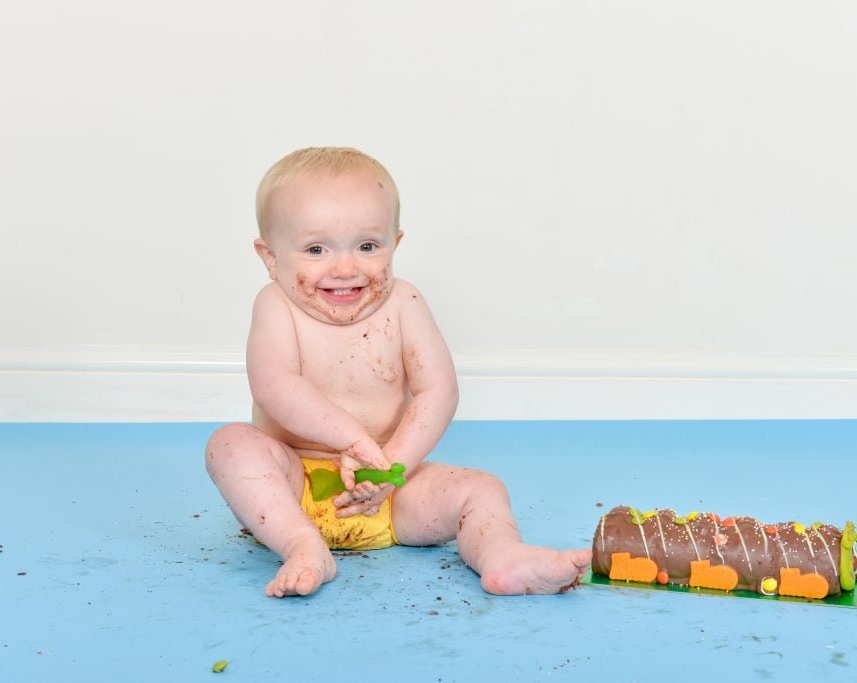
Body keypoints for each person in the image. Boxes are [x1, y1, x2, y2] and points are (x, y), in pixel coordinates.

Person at [205, 147, 591, 598]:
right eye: (316, 249)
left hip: (389, 490)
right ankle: (302, 545)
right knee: (230, 446)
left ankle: (501, 555)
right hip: (294, 489)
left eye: (368, 246)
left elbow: (438, 392)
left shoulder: (404, 304)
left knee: (481, 489)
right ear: (270, 258)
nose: (346, 267)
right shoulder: (275, 306)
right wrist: (352, 440)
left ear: (395, 244)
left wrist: (391, 469)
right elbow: (275, 387)